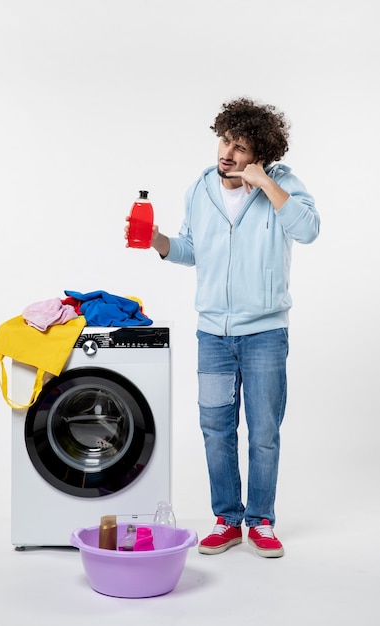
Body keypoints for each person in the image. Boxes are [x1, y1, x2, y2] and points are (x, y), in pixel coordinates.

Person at [125, 97, 320, 558]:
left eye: (240, 147)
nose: (227, 153)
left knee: (264, 429)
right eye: (225, 141)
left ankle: (262, 521)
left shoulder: (284, 184)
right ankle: (227, 519)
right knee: (215, 428)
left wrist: (267, 184)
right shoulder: (201, 187)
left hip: (266, 333)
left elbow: (308, 229)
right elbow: (193, 248)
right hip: (213, 333)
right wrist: (159, 242)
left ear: (261, 155)